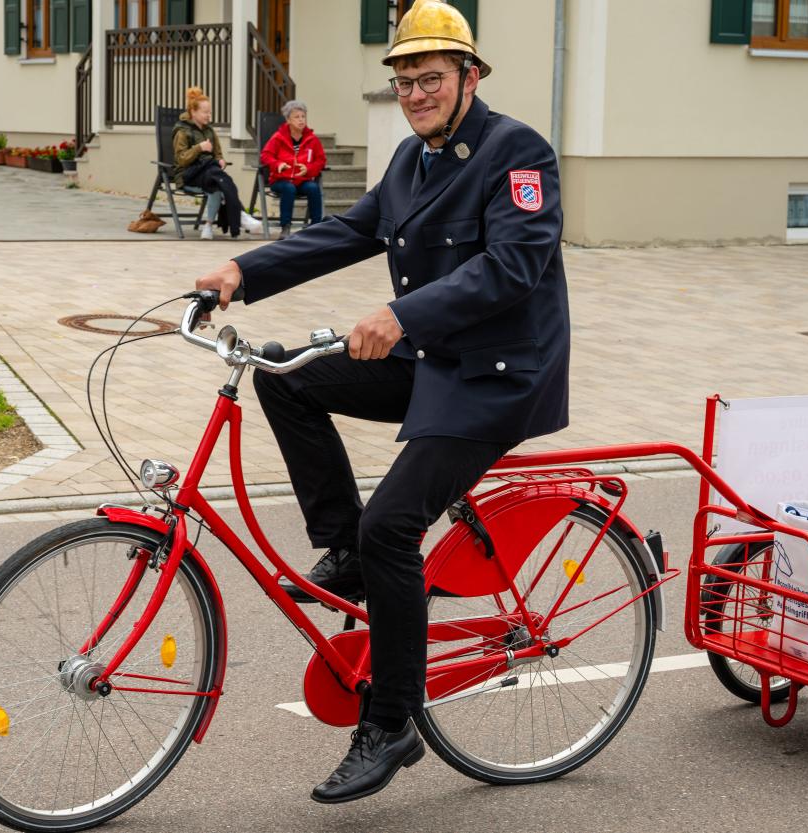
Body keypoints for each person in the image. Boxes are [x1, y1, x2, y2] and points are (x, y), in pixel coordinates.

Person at [195, 0, 568, 804]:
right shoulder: (408, 160)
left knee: (393, 524)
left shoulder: (517, 152)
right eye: (404, 81)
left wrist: (402, 315)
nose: (415, 94)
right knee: (283, 375)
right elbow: (347, 231)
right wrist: (244, 273)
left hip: (497, 375)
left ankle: (391, 720)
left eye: (430, 78)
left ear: (469, 76)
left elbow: (512, 266)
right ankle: (348, 547)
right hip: (433, 358)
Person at [172, 87, 257, 239]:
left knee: (216, 186)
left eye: (210, 112)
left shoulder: (210, 131)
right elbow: (181, 159)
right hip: (188, 175)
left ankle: (208, 226)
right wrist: (199, 147)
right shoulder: (182, 132)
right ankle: (241, 215)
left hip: (208, 174)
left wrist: (220, 159)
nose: (209, 116)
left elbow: (217, 153)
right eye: (205, 112)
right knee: (220, 178)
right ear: (193, 112)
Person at [259, 100, 327, 239]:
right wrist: (278, 164)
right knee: (289, 188)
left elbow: (321, 160)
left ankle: (316, 226)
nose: (301, 120)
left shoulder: (312, 139)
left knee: (313, 188)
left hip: (302, 180)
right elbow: (265, 155)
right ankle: (286, 227)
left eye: (303, 116)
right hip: (280, 180)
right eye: (297, 117)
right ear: (288, 120)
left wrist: (308, 169)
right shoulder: (278, 138)